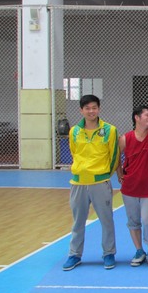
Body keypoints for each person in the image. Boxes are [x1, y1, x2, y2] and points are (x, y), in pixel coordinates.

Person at [62, 94, 120, 271]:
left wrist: (104, 174)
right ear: (81, 110)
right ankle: (74, 254)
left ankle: (108, 253)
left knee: (106, 220)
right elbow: (74, 152)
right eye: (87, 108)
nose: (91, 111)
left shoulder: (110, 130)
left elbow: (114, 156)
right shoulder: (74, 131)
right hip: (78, 183)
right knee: (78, 221)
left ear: (99, 109)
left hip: (100, 181)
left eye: (94, 108)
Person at [117, 105, 148, 268]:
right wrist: (119, 173)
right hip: (130, 187)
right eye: (146, 115)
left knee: (147, 220)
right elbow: (116, 157)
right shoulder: (126, 138)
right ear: (137, 118)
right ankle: (139, 250)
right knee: (133, 221)